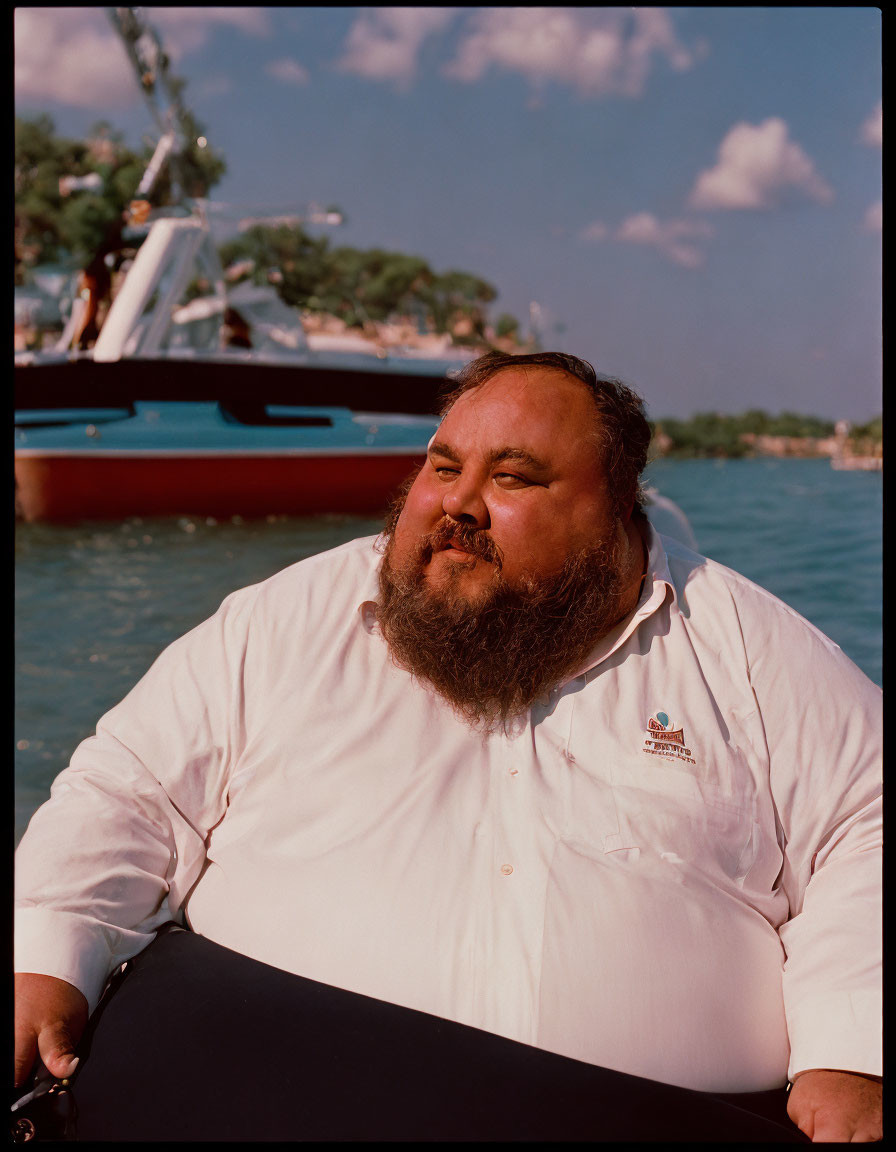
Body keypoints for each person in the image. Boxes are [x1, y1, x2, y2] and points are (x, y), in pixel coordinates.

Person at [14, 351, 881, 1141]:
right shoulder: (283, 620)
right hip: (244, 1096)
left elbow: (866, 823)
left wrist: (853, 1047)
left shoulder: (748, 648)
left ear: (616, 508)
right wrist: (48, 956)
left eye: (513, 476)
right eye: (442, 466)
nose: (458, 503)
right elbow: (127, 790)